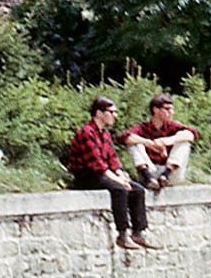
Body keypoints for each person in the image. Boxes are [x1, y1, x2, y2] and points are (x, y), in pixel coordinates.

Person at [66, 96, 158, 250]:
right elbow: (96, 164)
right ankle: (122, 233)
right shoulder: (86, 133)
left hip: (103, 173)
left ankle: (138, 232)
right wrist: (118, 180)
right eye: (111, 112)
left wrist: (121, 175)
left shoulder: (105, 134)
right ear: (99, 113)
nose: (115, 115)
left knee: (137, 190)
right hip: (87, 175)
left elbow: (113, 159)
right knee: (119, 189)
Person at [120, 93, 197, 191]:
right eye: (167, 109)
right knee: (135, 143)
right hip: (150, 170)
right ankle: (148, 178)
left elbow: (191, 134)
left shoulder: (173, 126)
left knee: (184, 143)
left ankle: (165, 175)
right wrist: (150, 144)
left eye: (172, 109)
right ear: (156, 110)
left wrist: (165, 141)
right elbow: (125, 137)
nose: (171, 112)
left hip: (171, 172)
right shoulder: (143, 128)